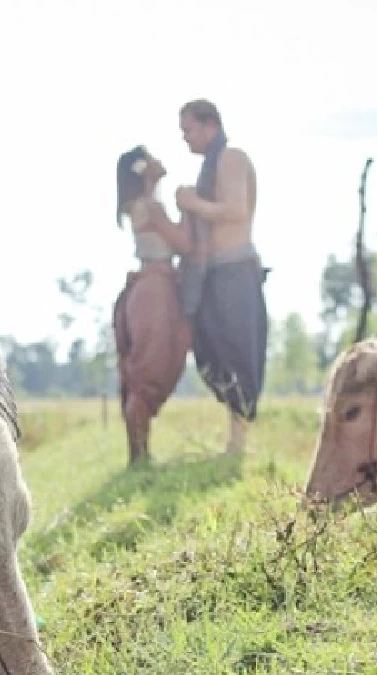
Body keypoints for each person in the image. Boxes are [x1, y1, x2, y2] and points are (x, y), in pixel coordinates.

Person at [174, 98, 268, 456]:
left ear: (209, 125)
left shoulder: (231, 157)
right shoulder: (207, 169)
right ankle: (235, 437)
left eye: (189, 130)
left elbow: (236, 211)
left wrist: (192, 202)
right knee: (211, 352)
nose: (186, 139)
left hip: (235, 269)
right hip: (212, 275)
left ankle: (238, 443)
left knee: (237, 351)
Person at [112, 145, 193, 465]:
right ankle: (139, 455)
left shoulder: (142, 206)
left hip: (153, 286)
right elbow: (185, 243)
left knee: (145, 372)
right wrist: (187, 208)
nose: (161, 159)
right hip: (155, 290)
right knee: (147, 374)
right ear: (144, 168)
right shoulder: (151, 207)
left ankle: (140, 453)